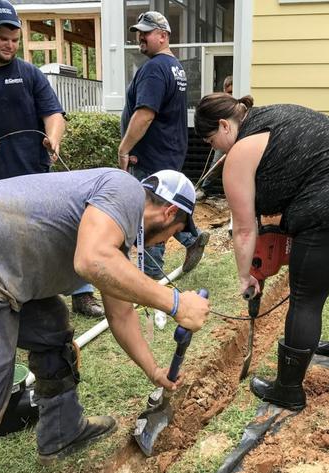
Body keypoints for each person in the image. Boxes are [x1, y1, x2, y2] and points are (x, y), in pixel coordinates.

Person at [0, 167, 210, 473]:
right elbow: (91, 260)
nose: (169, 239)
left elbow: (121, 314)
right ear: (169, 211)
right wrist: (175, 303)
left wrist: (154, 371)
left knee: (51, 328)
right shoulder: (125, 189)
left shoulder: (112, 229)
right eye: (175, 231)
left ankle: (62, 432)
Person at [194, 94, 329, 411]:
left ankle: (288, 389)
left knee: (305, 297)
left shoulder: (241, 151)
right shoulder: (275, 114)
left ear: (224, 124)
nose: (215, 149)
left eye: (212, 140)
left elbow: (245, 229)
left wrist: (244, 274)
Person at [0, 1, 102, 318]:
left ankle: (82, 293)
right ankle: (16, 298)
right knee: (8, 241)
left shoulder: (29, 73)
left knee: (63, 229)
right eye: (3, 38)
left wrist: (54, 136)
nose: (10, 45)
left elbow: (54, 114)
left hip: (36, 171)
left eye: (15, 39)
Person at [119, 10, 209, 280]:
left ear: (163, 35)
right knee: (165, 204)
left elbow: (145, 114)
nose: (140, 38)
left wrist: (124, 149)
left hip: (150, 155)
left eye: (146, 32)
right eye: (139, 32)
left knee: (151, 211)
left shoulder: (155, 69)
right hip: (169, 151)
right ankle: (191, 238)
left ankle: (150, 276)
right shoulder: (175, 67)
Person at [196, 74, 233, 201]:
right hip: (222, 139)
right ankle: (204, 188)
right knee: (216, 164)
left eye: (233, 92)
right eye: (228, 92)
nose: (230, 94)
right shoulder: (221, 104)